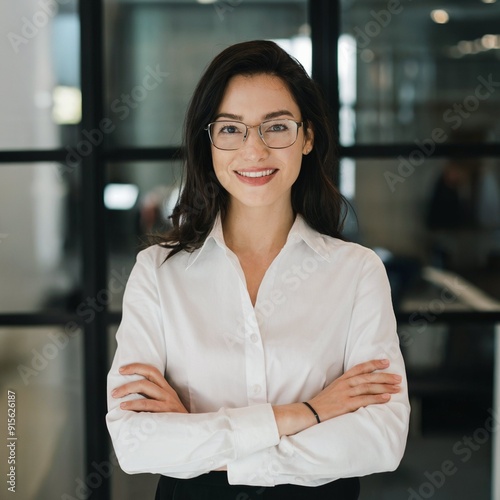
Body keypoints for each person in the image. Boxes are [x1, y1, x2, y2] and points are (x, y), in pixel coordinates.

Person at [107, 40, 410, 500]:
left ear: (307, 137)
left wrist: (200, 438)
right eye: (231, 129)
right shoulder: (157, 273)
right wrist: (308, 412)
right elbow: (135, 444)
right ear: (207, 141)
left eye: (277, 127)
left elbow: (380, 441)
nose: (255, 150)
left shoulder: (356, 273)